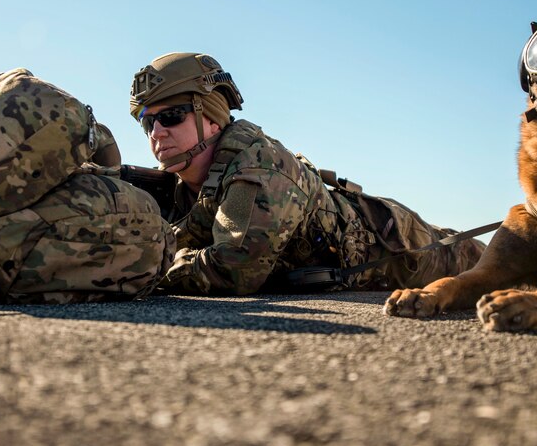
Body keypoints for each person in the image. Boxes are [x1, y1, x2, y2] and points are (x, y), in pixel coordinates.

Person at [129, 52, 483, 295]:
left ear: (210, 116)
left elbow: (233, 269)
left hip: (398, 248)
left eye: (171, 116)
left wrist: (153, 261)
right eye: (148, 122)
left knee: (486, 266)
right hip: (358, 238)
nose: (157, 132)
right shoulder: (181, 183)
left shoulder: (257, 169)